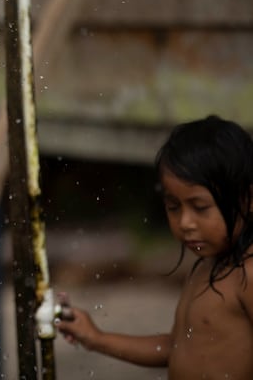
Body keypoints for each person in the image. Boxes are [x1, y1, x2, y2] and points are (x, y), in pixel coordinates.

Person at [56, 114, 253, 379]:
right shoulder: (204, 268)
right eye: (174, 207)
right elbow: (174, 348)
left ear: (248, 198)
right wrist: (96, 338)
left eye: (200, 207)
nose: (185, 222)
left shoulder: (247, 275)